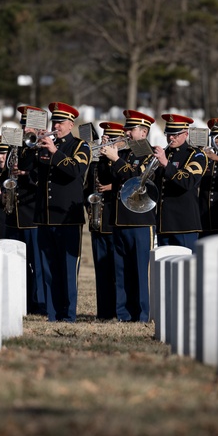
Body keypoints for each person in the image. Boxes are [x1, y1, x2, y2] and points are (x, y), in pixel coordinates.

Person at [34, 101, 90, 322]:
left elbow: (75, 171)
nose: (55, 126)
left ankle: (68, 314)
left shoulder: (80, 146)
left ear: (70, 124)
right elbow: (32, 176)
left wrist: (54, 151)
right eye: (54, 121)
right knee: (49, 268)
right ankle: (52, 313)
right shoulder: (44, 145)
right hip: (45, 215)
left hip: (67, 216)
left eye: (60, 122)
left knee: (67, 269)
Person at [101, 109, 155, 322]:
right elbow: (106, 179)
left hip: (140, 220)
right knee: (122, 270)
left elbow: (138, 179)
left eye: (131, 130)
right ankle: (124, 313)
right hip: (120, 218)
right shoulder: (123, 154)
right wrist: (106, 156)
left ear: (143, 132)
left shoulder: (149, 154)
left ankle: (142, 314)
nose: (127, 133)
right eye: (127, 129)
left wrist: (115, 159)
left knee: (140, 271)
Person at [5, 105, 46, 316]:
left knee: (37, 264)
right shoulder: (18, 148)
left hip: (32, 215)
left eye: (28, 125)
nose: (24, 129)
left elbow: (42, 180)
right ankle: (21, 301)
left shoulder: (43, 149)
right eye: (22, 124)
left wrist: (23, 173)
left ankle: (39, 304)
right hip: (15, 215)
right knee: (17, 264)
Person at [154, 113, 206, 250]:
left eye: (175, 134)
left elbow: (188, 181)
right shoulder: (166, 154)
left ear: (185, 133)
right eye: (169, 134)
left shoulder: (196, 154)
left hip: (184, 225)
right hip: (163, 224)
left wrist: (166, 164)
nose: (171, 138)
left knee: (187, 269)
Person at [86, 121, 122, 320]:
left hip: (115, 220)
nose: (105, 142)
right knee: (102, 271)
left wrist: (111, 187)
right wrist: (90, 210)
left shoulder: (122, 160)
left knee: (117, 270)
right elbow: (86, 189)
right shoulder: (97, 163)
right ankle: (104, 311)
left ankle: (119, 310)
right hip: (98, 221)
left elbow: (130, 183)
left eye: (110, 139)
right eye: (105, 138)